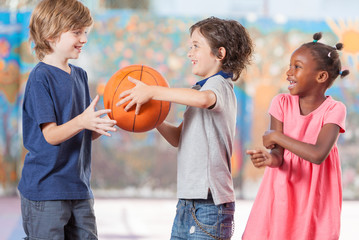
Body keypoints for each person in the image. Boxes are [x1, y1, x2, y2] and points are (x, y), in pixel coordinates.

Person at [117, 17, 254, 239]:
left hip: (211, 205)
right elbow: (178, 138)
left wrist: (153, 91)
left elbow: (203, 100)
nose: (190, 53)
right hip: (188, 202)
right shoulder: (200, 89)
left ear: (220, 54)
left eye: (196, 46)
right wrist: (154, 118)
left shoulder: (219, 86)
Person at [18, 0, 117, 239]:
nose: (83, 39)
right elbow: (51, 135)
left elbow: (82, 130)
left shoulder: (80, 75)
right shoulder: (40, 77)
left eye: (85, 32)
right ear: (51, 34)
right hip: (46, 189)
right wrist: (83, 122)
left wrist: (100, 123)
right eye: (76, 32)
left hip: (78, 187)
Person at [243, 32, 349, 240]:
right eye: (290, 65)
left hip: (315, 196)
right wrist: (269, 159)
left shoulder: (334, 109)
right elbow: (278, 155)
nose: (288, 72)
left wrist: (277, 136)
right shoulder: (281, 103)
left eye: (297, 67)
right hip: (281, 191)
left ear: (321, 77)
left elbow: (318, 154)